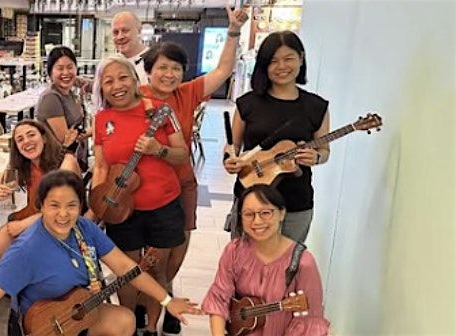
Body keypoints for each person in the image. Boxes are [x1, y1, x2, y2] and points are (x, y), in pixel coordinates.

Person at [0, 170, 204, 336]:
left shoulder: (84, 228)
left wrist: (167, 300)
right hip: (42, 324)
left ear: (81, 206)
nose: (63, 214)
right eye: (54, 205)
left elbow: (125, 267)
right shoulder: (26, 248)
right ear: (40, 206)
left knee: (125, 320)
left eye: (71, 205)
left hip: (77, 312)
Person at [138, 6, 248, 333]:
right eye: (162, 67)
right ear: (149, 70)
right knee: (149, 253)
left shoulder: (186, 94)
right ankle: (152, 306)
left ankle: (160, 296)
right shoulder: (136, 97)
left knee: (178, 247)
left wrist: (233, 31)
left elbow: (223, 70)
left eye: (176, 68)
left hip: (182, 182)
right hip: (143, 185)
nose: (169, 74)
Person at [88, 55, 189, 336]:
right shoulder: (101, 119)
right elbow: (101, 166)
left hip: (163, 206)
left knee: (157, 270)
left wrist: (159, 150)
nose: (117, 86)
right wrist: (98, 205)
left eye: (123, 77)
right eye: (108, 81)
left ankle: (152, 328)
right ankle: (130, 325)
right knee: (128, 271)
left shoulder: (161, 110)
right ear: (101, 88)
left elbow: (182, 154)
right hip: (120, 210)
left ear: (135, 80)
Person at [224, 31, 330, 243]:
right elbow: (232, 147)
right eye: (273, 61)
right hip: (251, 197)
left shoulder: (316, 107)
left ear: (301, 58)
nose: (281, 66)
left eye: (288, 58)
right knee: (243, 260)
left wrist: (316, 157)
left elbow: (324, 151)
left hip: (295, 201)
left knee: (288, 261)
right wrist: (230, 160)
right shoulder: (247, 103)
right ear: (264, 65)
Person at [202, 184, 329, 335]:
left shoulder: (303, 262)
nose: (257, 221)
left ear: (282, 213)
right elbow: (219, 298)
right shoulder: (234, 251)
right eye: (249, 214)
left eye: (266, 213)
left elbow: (310, 323)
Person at [0, 119, 81, 292]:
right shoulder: (25, 168)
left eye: (31, 135)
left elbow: (61, 209)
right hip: (33, 220)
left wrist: (23, 224)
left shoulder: (66, 162)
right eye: (20, 139)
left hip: (62, 226)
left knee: (18, 258)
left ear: (44, 138)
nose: (26, 142)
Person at [35, 46, 92, 172]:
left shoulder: (68, 93)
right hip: (57, 166)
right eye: (60, 68)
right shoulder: (50, 98)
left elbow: (96, 86)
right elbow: (66, 139)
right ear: (50, 72)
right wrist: (97, 129)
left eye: (70, 67)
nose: (65, 72)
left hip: (72, 161)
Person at [111, 11, 149, 84]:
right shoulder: (111, 64)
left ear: (139, 31)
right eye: (116, 32)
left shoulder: (155, 62)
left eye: (125, 31)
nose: (120, 37)